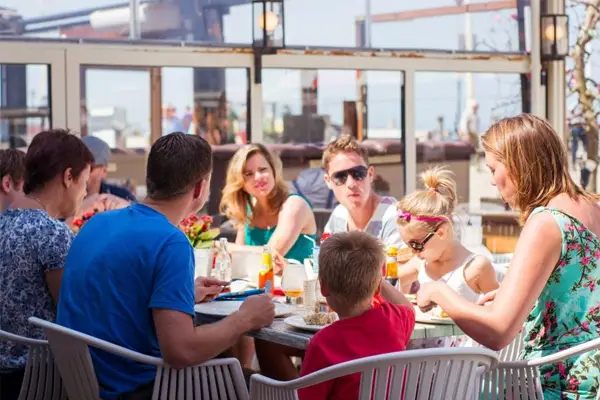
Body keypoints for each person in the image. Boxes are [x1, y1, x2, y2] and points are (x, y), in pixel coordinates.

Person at [57, 133, 275, 400]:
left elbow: (117, 294)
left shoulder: (97, 223)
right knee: (266, 386)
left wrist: (179, 295)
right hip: (138, 389)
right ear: (200, 188)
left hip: (82, 385)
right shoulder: (171, 242)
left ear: (151, 179)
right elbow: (182, 352)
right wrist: (245, 319)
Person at [417, 114, 600, 399]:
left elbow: (497, 331)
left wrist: (439, 291)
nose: (491, 181)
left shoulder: (546, 222)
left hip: (553, 387)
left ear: (518, 165)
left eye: (493, 169)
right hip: (593, 380)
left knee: (443, 388)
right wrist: (517, 294)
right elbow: (578, 286)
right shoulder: (593, 207)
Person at [0, 129, 93, 400]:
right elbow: (71, 312)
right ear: (68, 177)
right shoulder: (52, 232)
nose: (85, 191)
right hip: (40, 379)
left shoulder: (4, 222)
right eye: (84, 181)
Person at [298, 231, 415, 400]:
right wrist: (375, 279)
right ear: (377, 289)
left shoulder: (323, 343)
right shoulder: (394, 319)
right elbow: (408, 307)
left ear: (323, 288)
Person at [395, 167, 498, 298]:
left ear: (441, 233)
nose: (412, 252)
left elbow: (500, 310)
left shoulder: (475, 268)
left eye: (416, 245)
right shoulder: (420, 264)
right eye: (407, 245)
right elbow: (397, 279)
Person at [220, 143, 317, 269]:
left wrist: (225, 247)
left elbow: (271, 256)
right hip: (257, 286)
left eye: (262, 169)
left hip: (297, 287)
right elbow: (239, 262)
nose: (258, 177)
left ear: (273, 171)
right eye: (249, 174)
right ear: (240, 182)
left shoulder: (294, 205)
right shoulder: (249, 208)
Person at [322, 135, 402, 249]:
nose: (351, 184)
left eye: (358, 174)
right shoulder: (339, 215)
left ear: (370, 174)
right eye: (340, 177)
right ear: (328, 181)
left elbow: (399, 266)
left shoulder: (393, 217)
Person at [81, 135, 136, 203]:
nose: (81, 174)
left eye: (90, 169)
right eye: (77, 168)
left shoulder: (122, 198)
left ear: (104, 171)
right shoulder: (66, 201)